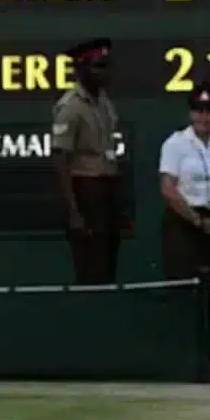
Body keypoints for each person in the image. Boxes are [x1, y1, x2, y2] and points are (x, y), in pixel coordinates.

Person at [158, 82, 210, 380]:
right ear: (191, 113)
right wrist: (195, 220)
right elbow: (168, 189)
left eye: (209, 111)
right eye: (199, 110)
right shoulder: (175, 143)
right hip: (184, 223)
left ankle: (209, 360)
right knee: (183, 292)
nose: (204, 116)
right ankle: (180, 360)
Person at [52, 38, 125, 285]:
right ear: (81, 69)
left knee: (108, 265)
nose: (103, 73)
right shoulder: (71, 106)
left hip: (108, 189)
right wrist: (74, 211)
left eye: (106, 66)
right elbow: (61, 158)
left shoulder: (104, 102)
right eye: (97, 66)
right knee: (90, 268)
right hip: (86, 191)